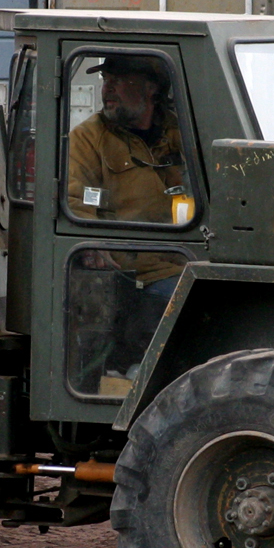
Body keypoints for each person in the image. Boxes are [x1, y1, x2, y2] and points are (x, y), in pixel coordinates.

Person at [63, 55, 189, 389]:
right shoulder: (88, 139)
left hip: (187, 262)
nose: (108, 88)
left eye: (120, 80)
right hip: (133, 276)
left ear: (151, 88)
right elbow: (75, 203)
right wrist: (95, 249)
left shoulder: (182, 132)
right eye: (106, 79)